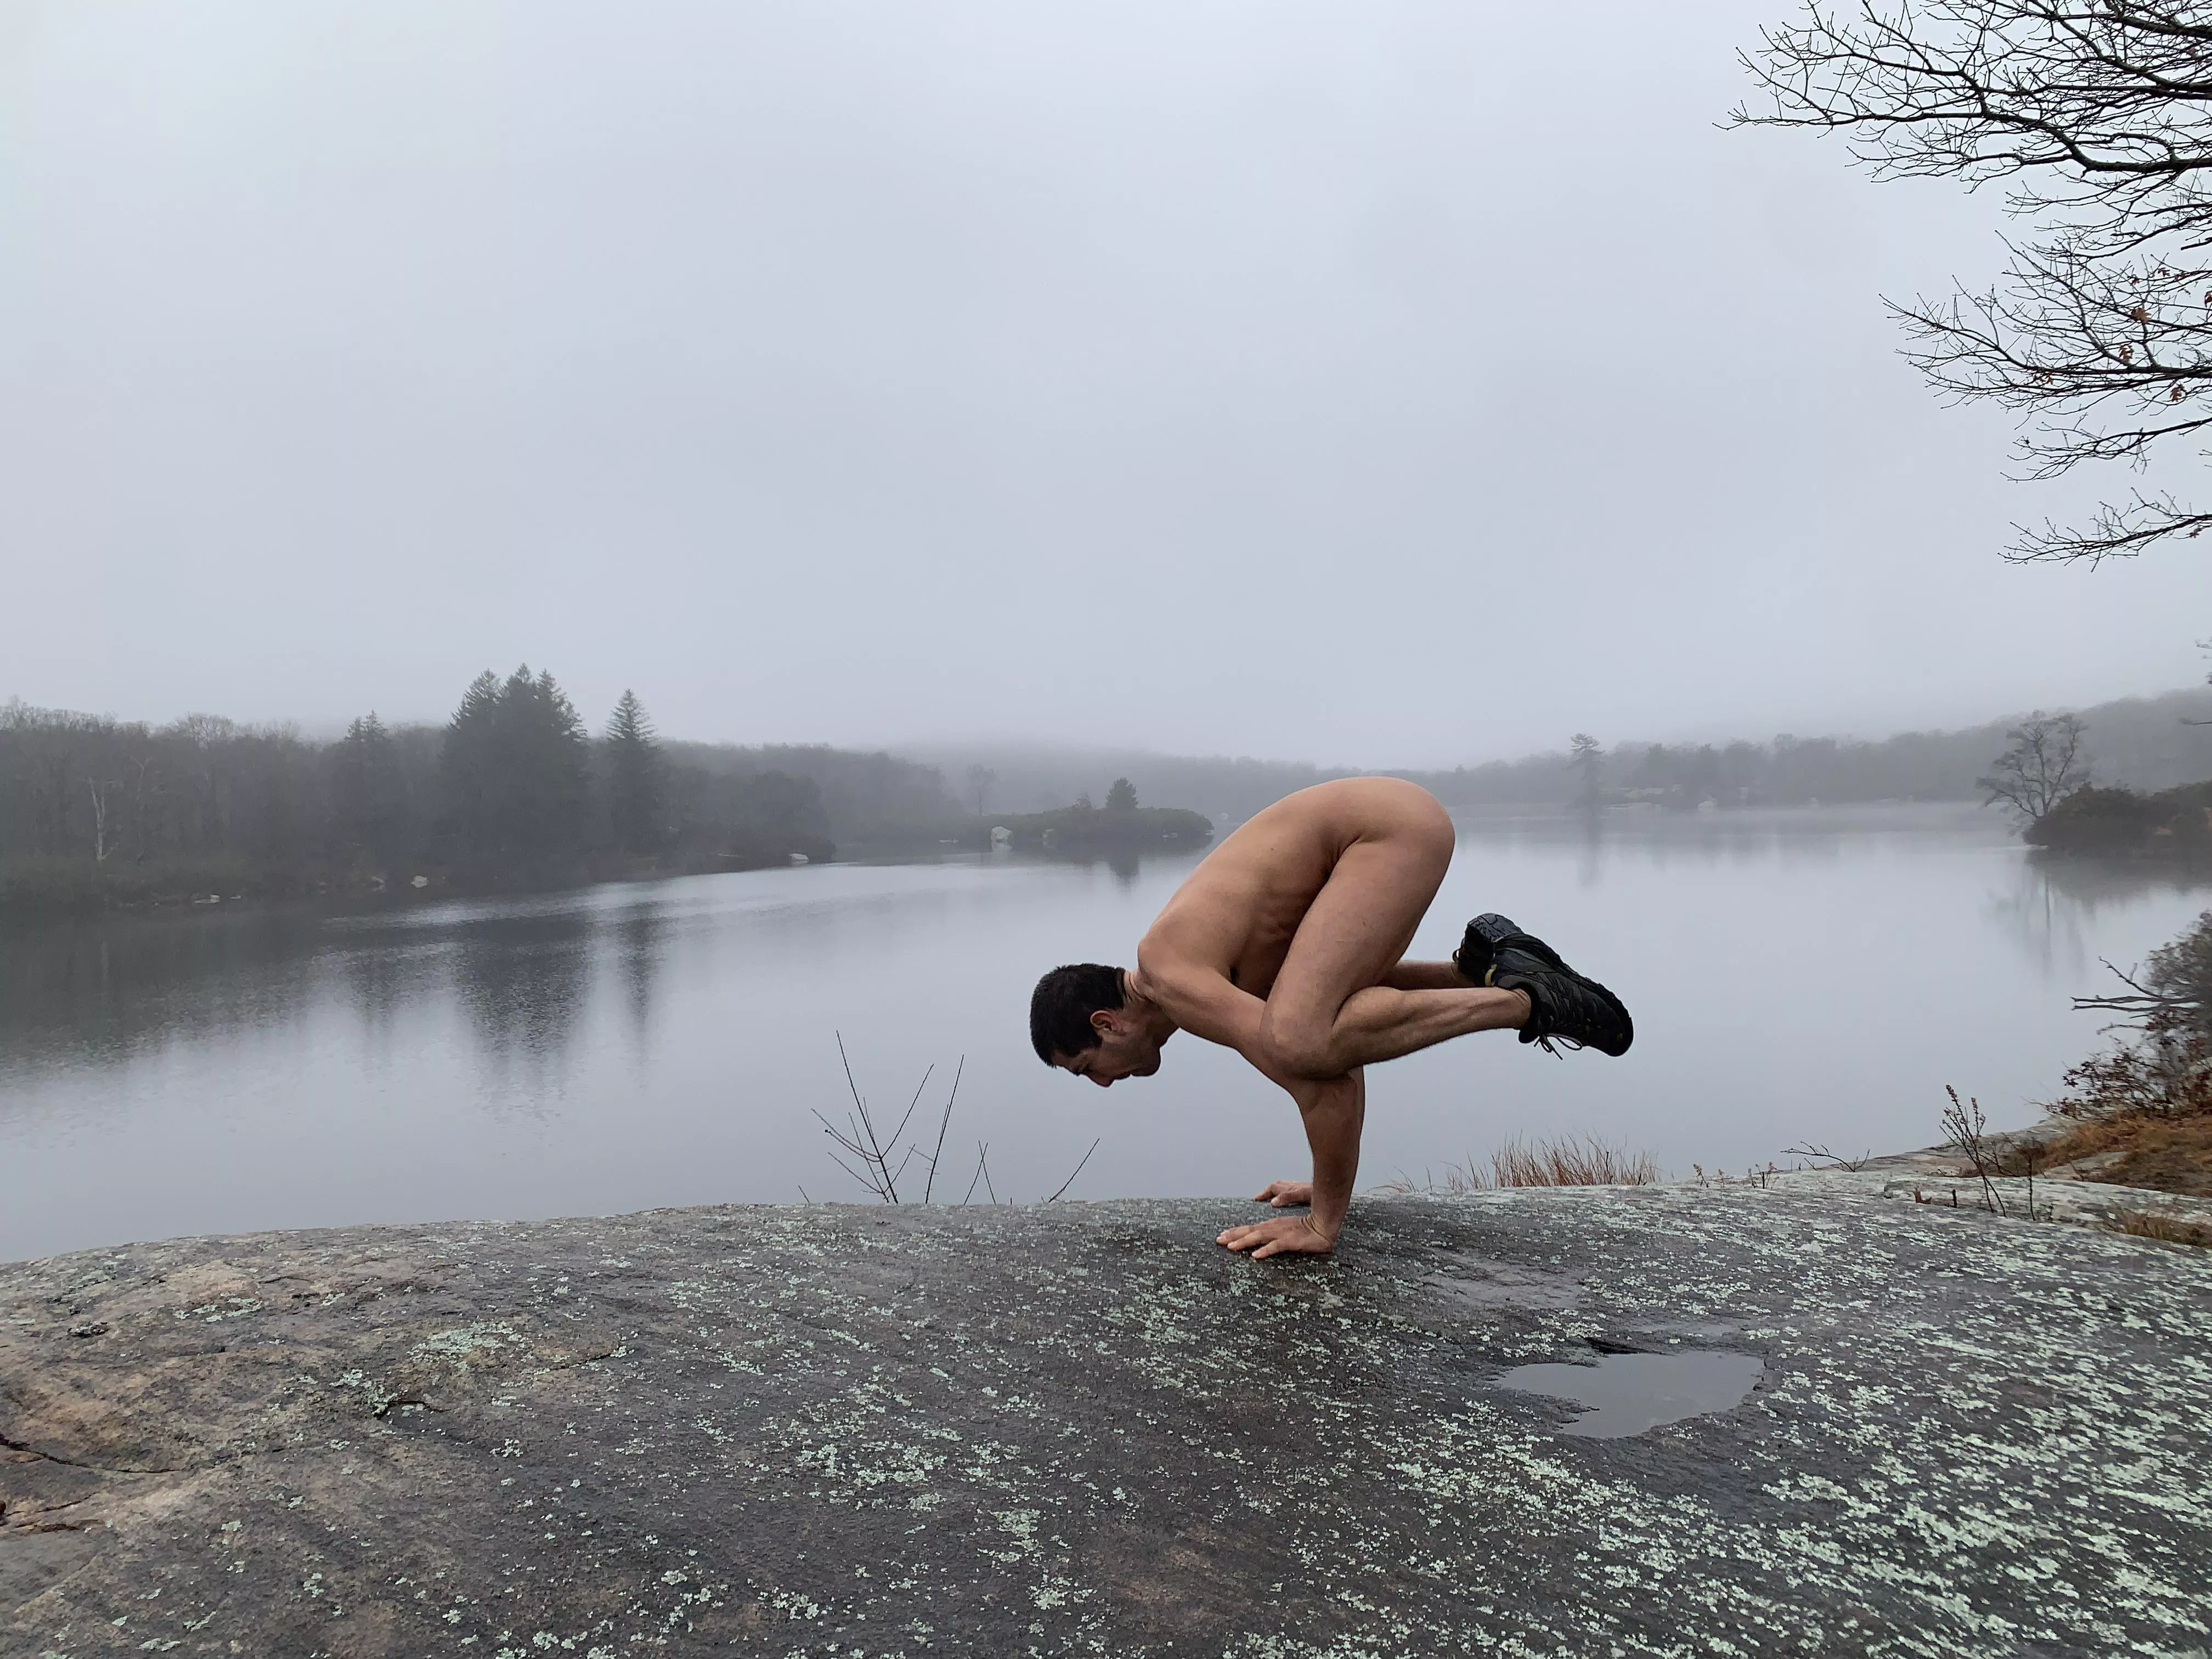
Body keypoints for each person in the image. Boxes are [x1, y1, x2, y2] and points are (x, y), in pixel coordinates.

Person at [1029, 777, 1631, 1259]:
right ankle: (1480, 968)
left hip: (1382, 831)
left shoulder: (1170, 976)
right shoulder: (1187, 971)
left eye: (1088, 1068)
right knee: (1309, 1026)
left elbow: (1315, 1069)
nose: (1104, 1083)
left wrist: (1322, 1224)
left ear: (1108, 1023)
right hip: (1387, 821)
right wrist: (1327, 1186)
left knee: (1298, 1039)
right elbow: (1337, 1045)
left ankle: (1531, 1000)